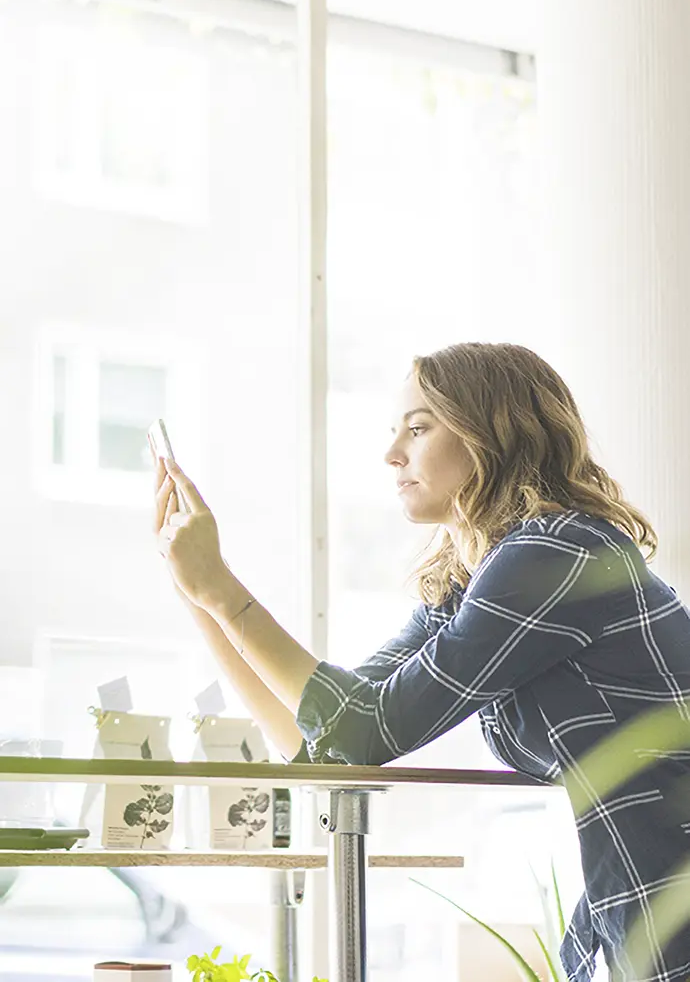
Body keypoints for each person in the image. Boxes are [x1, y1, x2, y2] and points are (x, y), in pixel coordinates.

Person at [152, 341, 690, 982]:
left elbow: (366, 728)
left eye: (418, 428)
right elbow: (318, 738)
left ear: (491, 434)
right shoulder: (473, 583)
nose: (392, 455)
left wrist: (220, 587)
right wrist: (197, 594)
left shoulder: (555, 553)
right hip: (635, 900)